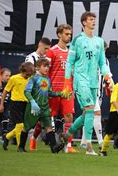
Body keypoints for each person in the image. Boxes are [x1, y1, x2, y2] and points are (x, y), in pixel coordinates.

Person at [59, 11, 112, 156]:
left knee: (87, 113)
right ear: (84, 22)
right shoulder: (77, 40)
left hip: (94, 82)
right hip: (80, 79)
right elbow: (69, 62)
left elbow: (102, 62)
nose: (93, 21)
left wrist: (107, 76)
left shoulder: (99, 41)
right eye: (90, 19)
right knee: (90, 109)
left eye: (94, 19)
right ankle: (88, 146)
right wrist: (67, 82)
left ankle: (67, 134)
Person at [18, 58, 67, 153]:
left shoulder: (48, 79)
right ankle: (21, 147)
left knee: (49, 127)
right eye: (44, 66)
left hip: (44, 108)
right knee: (26, 127)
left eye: (48, 66)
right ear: (37, 67)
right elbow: (26, 92)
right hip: (33, 108)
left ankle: (54, 148)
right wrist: (32, 102)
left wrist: (61, 94)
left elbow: (49, 93)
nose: (47, 68)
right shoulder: (33, 78)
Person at [42, 24, 77, 153]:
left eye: (70, 34)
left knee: (69, 117)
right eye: (66, 34)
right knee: (47, 117)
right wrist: (46, 88)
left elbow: (73, 72)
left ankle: (68, 146)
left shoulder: (71, 53)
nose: (69, 36)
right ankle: (35, 137)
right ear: (59, 35)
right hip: (53, 91)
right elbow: (45, 71)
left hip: (67, 91)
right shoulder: (52, 51)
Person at [79, 40, 111, 150]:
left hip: (98, 93)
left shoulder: (105, 61)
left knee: (87, 115)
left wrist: (110, 84)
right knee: (97, 113)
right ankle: (101, 141)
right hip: (87, 91)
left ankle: (83, 142)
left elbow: (107, 75)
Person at [0, 62, 35, 150]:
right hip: (15, 104)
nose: (28, 76)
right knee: (20, 125)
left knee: (24, 126)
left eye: (30, 75)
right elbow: (5, 91)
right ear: (23, 70)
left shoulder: (30, 79)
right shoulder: (14, 78)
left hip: (26, 104)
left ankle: (7, 137)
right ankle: (20, 147)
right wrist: (1, 104)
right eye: (27, 74)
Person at [0, 68, 11, 138]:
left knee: (6, 115)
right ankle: (4, 132)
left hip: (5, 105)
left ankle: (4, 131)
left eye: (9, 76)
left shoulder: (10, 85)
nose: (8, 77)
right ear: (1, 75)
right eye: (6, 75)